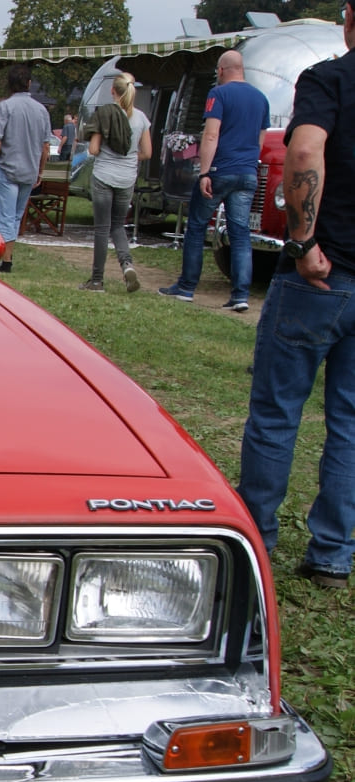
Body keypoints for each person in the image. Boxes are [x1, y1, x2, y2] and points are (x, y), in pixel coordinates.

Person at [238, 0, 355, 590]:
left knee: (278, 412)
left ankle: (256, 540)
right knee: (351, 423)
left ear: (349, 19)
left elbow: (305, 152)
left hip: (322, 272)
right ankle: (333, 554)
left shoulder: (329, 77)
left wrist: (304, 239)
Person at [158, 50, 270, 311]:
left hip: (221, 169)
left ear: (221, 70)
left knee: (196, 226)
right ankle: (240, 295)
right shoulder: (261, 99)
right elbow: (260, 139)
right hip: (247, 171)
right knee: (240, 233)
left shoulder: (217, 95)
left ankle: (186, 287)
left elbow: (211, 135)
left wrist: (205, 172)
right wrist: (250, 162)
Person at [78, 73, 151, 292]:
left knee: (102, 228)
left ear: (113, 91)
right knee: (118, 226)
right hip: (126, 178)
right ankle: (127, 265)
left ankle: (97, 280)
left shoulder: (105, 114)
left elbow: (93, 149)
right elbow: (147, 152)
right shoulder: (141, 118)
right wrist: (128, 158)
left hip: (104, 176)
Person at [0, 63, 52, 273]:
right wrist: (40, 171)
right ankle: (7, 257)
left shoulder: (4, 107)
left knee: (4, 216)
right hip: (29, 171)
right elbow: (45, 146)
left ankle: (4, 260)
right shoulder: (41, 110)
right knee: (15, 216)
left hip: (7, 168)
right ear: (29, 84)